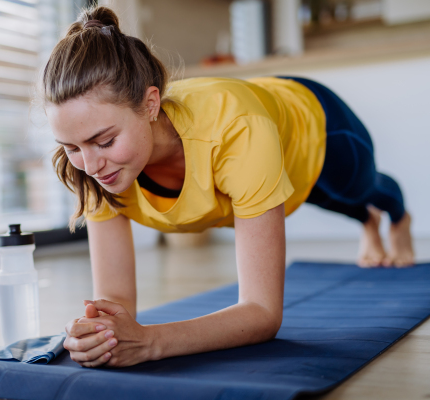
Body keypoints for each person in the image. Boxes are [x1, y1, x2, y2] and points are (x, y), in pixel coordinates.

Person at [39, 6, 415, 368]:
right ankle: (368, 223)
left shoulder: (239, 130)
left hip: (319, 126)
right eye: (72, 147)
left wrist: (151, 342)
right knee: (334, 201)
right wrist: (102, 331)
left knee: (359, 191)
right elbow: (116, 299)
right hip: (261, 152)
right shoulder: (91, 167)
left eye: (104, 142)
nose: (89, 165)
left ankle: (395, 219)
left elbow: (262, 313)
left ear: (151, 104)